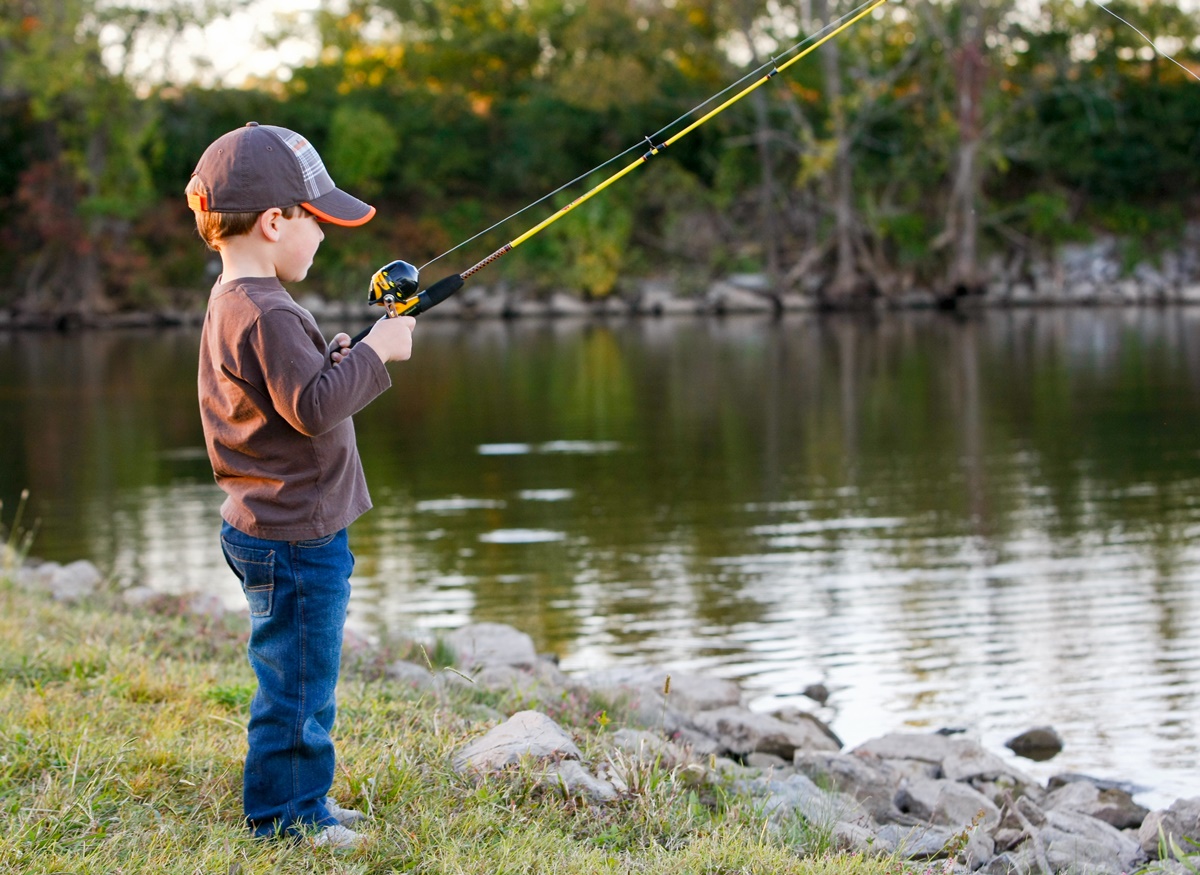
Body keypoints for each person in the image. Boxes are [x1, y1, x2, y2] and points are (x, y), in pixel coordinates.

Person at [186, 121, 415, 850]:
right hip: (295, 534)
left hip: (270, 522)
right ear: (275, 220)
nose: (323, 235)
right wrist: (379, 351)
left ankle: (302, 797)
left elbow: (290, 391)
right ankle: (288, 818)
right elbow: (313, 408)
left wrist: (337, 355)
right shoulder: (267, 308)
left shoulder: (236, 299)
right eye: (316, 220)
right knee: (299, 682)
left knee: (297, 671)